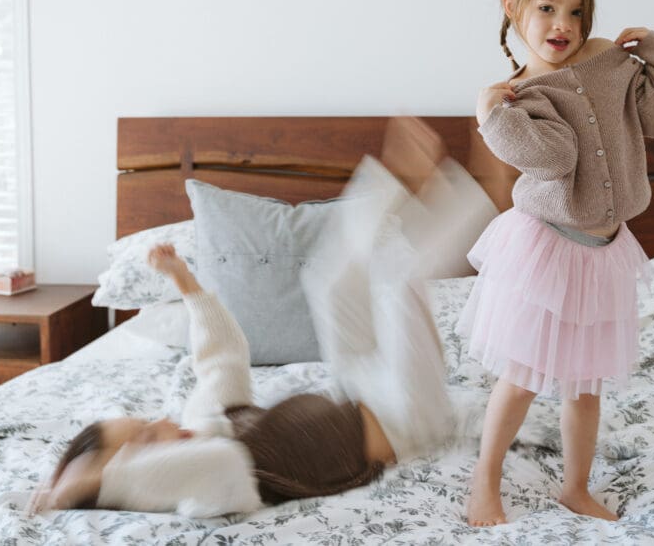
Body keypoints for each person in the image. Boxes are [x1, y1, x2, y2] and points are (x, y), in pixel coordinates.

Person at [30, 118, 481, 517]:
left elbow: (225, 358)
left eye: (149, 422)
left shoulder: (200, 427)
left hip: (359, 387)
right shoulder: (211, 486)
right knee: (396, 280)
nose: (164, 422)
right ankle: (476, 204)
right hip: (408, 418)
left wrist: (186, 283)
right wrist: (90, 484)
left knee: (328, 280)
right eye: (149, 439)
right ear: (137, 480)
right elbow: (216, 463)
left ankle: (396, 179)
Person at [459, 0, 654, 526]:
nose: (563, 24)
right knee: (522, 378)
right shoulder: (523, 97)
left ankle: (576, 487)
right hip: (546, 249)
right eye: (546, 8)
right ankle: (485, 484)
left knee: (585, 384)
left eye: (577, 10)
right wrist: (491, 117)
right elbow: (553, 159)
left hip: (604, 250)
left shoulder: (611, 62)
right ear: (512, 7)